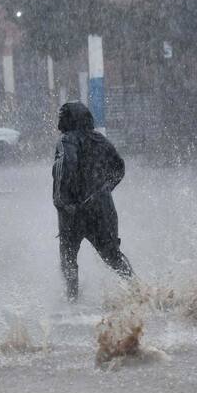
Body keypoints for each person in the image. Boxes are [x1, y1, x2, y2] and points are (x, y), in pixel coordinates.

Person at [52, 102, 134, 302]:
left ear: (67, 120)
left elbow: (67, 165)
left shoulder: (66, 141)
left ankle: (72, 300)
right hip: (102, 209)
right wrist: (104, 190)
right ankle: (140, 292)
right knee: (113, 256)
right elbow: (119, 167)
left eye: (61, 117)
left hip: (74, 211)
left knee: (68, 258)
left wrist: (62, 201)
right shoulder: (100, 140)